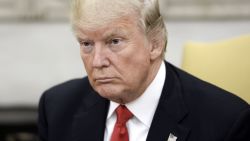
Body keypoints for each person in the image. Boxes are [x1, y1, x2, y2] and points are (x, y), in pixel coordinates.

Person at [38, 0, 250, 141]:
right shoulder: (57, 109)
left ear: (155, 43)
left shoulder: (227, 123)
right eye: (86, 44)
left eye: (114, 41)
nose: (97, 61)